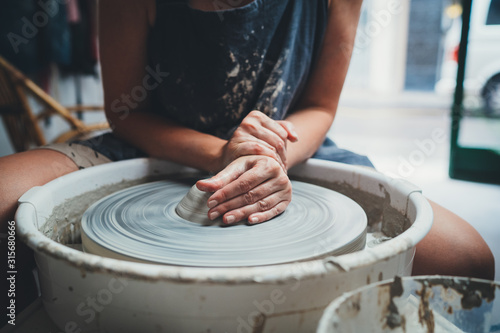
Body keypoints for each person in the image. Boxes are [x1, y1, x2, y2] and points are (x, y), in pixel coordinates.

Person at [0, 0, 494, 292]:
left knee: (465, 259)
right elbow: (126, 111)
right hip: (154, 143)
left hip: (292, 147)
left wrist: (268, 156)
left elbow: (320, 105)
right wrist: (220, 154)